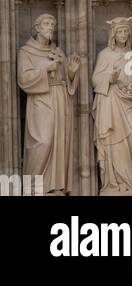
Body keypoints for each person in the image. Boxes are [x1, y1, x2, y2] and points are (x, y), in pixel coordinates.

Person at [17, 13, 80, 195]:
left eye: (53, 24)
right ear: (37, 27)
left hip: (59, 99)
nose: (50, 26)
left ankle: (54, 188)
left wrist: (71, 73)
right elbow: (23, 79)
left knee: (58, 141)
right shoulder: (26, 52)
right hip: (40, 100)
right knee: (43, 141)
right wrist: (46, 68)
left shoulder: (58, 51)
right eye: (47, 23)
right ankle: (34, 189)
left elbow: (66, 80)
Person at [91, 17, 132, 196]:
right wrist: (110, 78)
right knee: (113, 142)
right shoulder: (105, 55)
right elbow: (95, 80)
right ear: (113, 34)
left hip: (130, 102)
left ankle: (131, 183)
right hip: (112, 101)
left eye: (126, 31)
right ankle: (114, 184)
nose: (123, 34)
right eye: (120, 31)